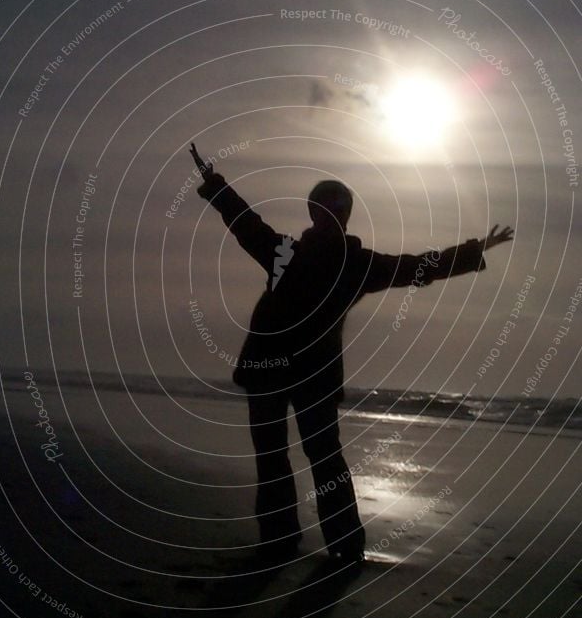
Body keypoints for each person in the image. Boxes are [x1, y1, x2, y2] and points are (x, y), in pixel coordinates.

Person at [192, 145, 513, 564]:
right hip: (283, 372)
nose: (333, 215)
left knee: (314, 457)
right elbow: (245, 222)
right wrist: (215, 184)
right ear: (317, 212)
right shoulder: (304, 256)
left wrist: (475, 251)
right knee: (292, 455)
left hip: (296, 373)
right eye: (329, 207)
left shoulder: (341, 261)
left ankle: (327, 542)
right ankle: (298, 539)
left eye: (338, 209)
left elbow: (418, 266)